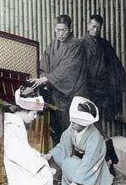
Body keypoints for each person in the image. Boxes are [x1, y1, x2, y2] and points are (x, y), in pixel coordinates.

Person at [3, 88, 58, 185]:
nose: (35, 117)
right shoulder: (12, 125)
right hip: (13, 161)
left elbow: (24, 149)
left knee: (42, 164)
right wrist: (38, 163)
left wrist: (38, 156)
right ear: (25, 110)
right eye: (34, 113)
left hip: (20, 158)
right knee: (42, 170)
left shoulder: (17, 122)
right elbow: (15, 152)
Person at [31, 15, 87, 144]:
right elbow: (44, 63)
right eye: (58, 30)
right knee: (55, 127)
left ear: (70, 28)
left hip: (70, 93)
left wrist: (46, 79)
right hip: (55, 92)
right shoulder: (53, 44)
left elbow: (67, 70)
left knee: (69, 127)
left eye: (64, 30)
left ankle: (71, 157)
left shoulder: (76, 45)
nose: (61, 33)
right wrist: (42, 76)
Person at [45, 97, 113, 185]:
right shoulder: (73, 128)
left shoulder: (95, 137)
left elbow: (88, 162)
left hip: (93, 166)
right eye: (71, 121)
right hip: (80, 161)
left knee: (68, 163)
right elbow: (63, 144)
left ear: (83, 124)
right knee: (64, 159)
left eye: (74, 123)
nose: (71, 124)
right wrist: (51, 153)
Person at [80, 14, 126, 123]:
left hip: (102, 85)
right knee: (88, 114)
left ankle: (100, 136)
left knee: (101, 113)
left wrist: (120, 80)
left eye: (98, 27)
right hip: (87, 85)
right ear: (88, 26)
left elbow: (115, 63)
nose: (95, 29)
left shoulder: (104, 44)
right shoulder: (80, 44)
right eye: (93, 26)